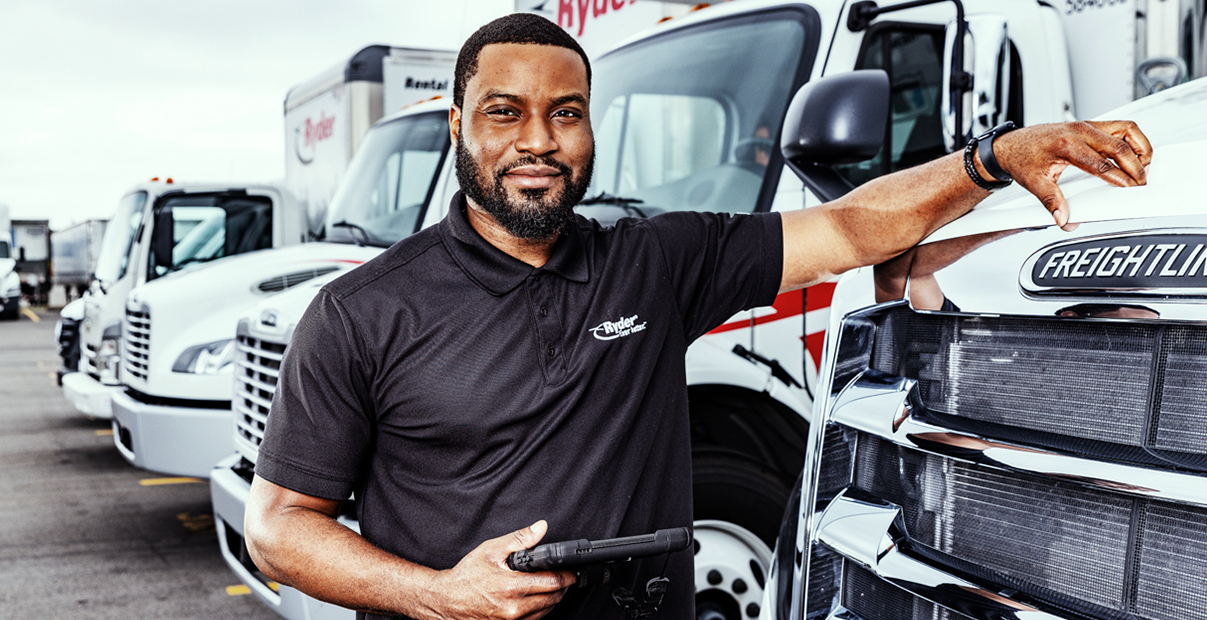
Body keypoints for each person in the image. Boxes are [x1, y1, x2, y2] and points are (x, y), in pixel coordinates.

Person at [244, 12, 1153, 620]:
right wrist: (443, 595)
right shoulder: (361, 312)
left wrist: (994, 157)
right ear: (456, 126)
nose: (537, 141)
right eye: (503, 113)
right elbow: (280, 527)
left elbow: (846, 224)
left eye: (566, 114)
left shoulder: (654, 261)